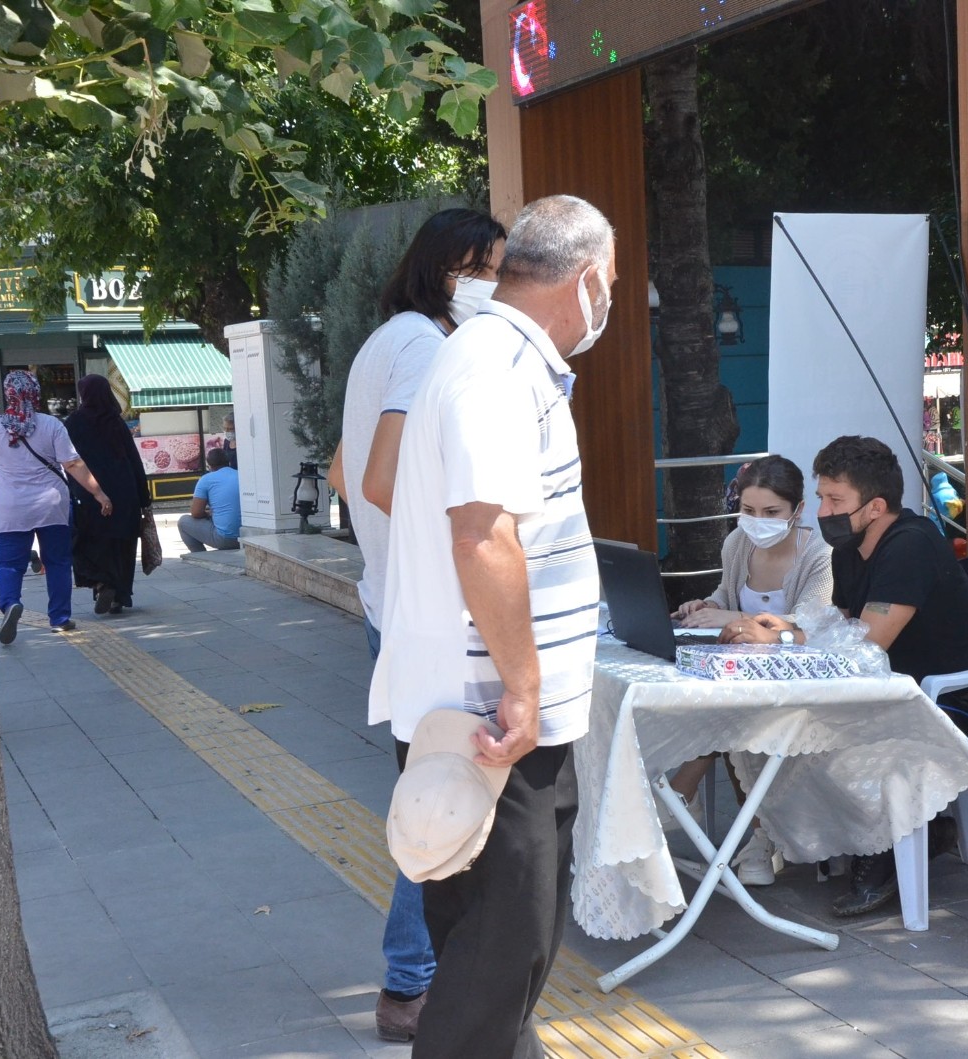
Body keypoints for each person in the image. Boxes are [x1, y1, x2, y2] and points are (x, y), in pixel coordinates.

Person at [368, 194, 615, 1058]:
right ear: (586, 280)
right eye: (610, 282)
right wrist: (522, 687)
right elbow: (482, 531)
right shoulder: (493, 366)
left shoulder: (501, 359)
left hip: (500, 712)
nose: (608, 301)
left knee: (509, 941)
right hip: (489, 714)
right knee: (499, 944)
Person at [325, 206, 507, 1043]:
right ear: (446, 269)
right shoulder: (428, 347)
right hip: (424, 616)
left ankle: (420, 972)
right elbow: (379, 478)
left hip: (386, 601)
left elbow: (339, 468)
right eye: (485, 269)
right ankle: (409, 983)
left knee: (428, 785)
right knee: (443, 795)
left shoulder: (383, 340)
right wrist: (459, 545)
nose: (495, 286)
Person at [734, 435, 968, 916]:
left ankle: (883, 854)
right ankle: (857, 837)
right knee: (778, 732)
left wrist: (786, 642)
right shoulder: (849, 549)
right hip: (895, 690)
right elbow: (837, 624)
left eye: (836, 500)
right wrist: (789, 626)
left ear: (876, 506)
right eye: (821, 497)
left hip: (958, 703)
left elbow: (867, 644)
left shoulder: (911, 546)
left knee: (823, 744)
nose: (823, 510)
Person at [666, 454, 832, 885]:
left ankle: (681, 796)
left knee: (728, 713)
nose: (758, 521)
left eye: (771, 512)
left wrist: (729, 618)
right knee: (715, 702)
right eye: (749, 511)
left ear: (798, 510)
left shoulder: (819, 554)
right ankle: (753, 835)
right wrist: (707, 607)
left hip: (798, 681)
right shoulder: (737, 544)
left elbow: (808, 623)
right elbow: (725, 593)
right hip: (744, 676)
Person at [0, 370, 113, 642]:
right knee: (58, 562)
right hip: (51, 504)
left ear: (8, 394)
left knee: (8, 564)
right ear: (35, 393)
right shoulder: (51, 425)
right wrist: (99, 493)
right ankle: (60, 618)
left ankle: (9, 604)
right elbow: (72, 463)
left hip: (10, 506)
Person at [65, 375, 152, 615]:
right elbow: (134, 461)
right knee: (122, 545)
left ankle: (102, 582)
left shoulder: (74, 422)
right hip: (125, 493)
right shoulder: (115, 421)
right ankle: (118, 596)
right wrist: (144, 498)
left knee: (91, 541)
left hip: (90, 493)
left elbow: (69, 461)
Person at [179, 449, 240, 551]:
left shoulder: (206, 479)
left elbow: (196, 513)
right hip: (246, 536)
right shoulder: (240, 475)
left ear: (209, 465)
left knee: (183, 522)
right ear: (228, 461)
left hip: (225, 538)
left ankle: (200, 555)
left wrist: (207, 514)